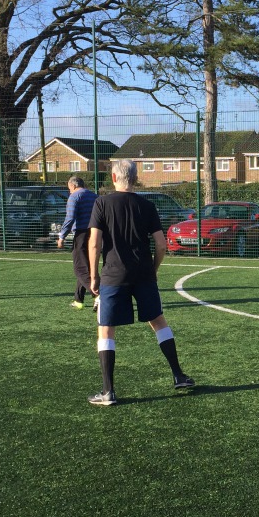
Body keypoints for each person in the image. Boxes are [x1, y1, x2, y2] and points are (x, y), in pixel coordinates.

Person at [87, 159, 194, 406]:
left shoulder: (101, 203)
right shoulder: (147, 205)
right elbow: (161, 244)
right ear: (135, 179)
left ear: (114, 178)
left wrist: (94, 277)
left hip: (114, 276)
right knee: (157, 321)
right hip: (144, 274)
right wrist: (153, 269)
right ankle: (178, 375)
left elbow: (94, 243)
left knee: (106, 329)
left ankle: (108, 392)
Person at [57, 176, 98, 309]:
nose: (69, 191)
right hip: (96, 234)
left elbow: (70, 218)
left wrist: (62, 236)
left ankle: (99, 295)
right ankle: (78, 300)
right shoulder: (94, 196)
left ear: (73, 186)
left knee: (80, 268)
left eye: (69, 189)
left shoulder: (74, 197)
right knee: (88, 266)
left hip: (81, 234)